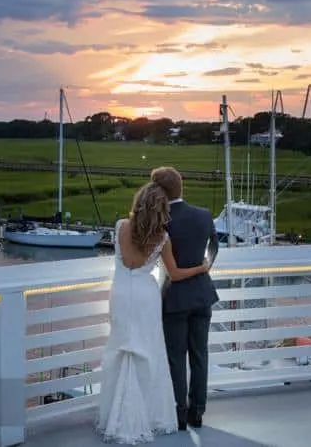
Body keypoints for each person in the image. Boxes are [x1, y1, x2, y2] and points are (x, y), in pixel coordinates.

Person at [96, 182, 212, 444]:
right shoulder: (162, 238)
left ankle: (115, 416)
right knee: (146, 352)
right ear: (161, 209)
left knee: (121, 348)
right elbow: (175, 274)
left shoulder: (121, 227)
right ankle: (146, 415)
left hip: (122, 293)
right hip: (147, 296)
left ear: (138, 202)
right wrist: (201, 268)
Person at [152, 166, 219, 430]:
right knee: (200, 355)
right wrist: (205, 267)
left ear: (159, 191)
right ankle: (198, 412)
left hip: (175, 298)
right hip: (202, 294)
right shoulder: (203, 215)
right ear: (181, 186)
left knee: (176, 357)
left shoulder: (161, 220)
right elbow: (214, 246)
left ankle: (180, 412)